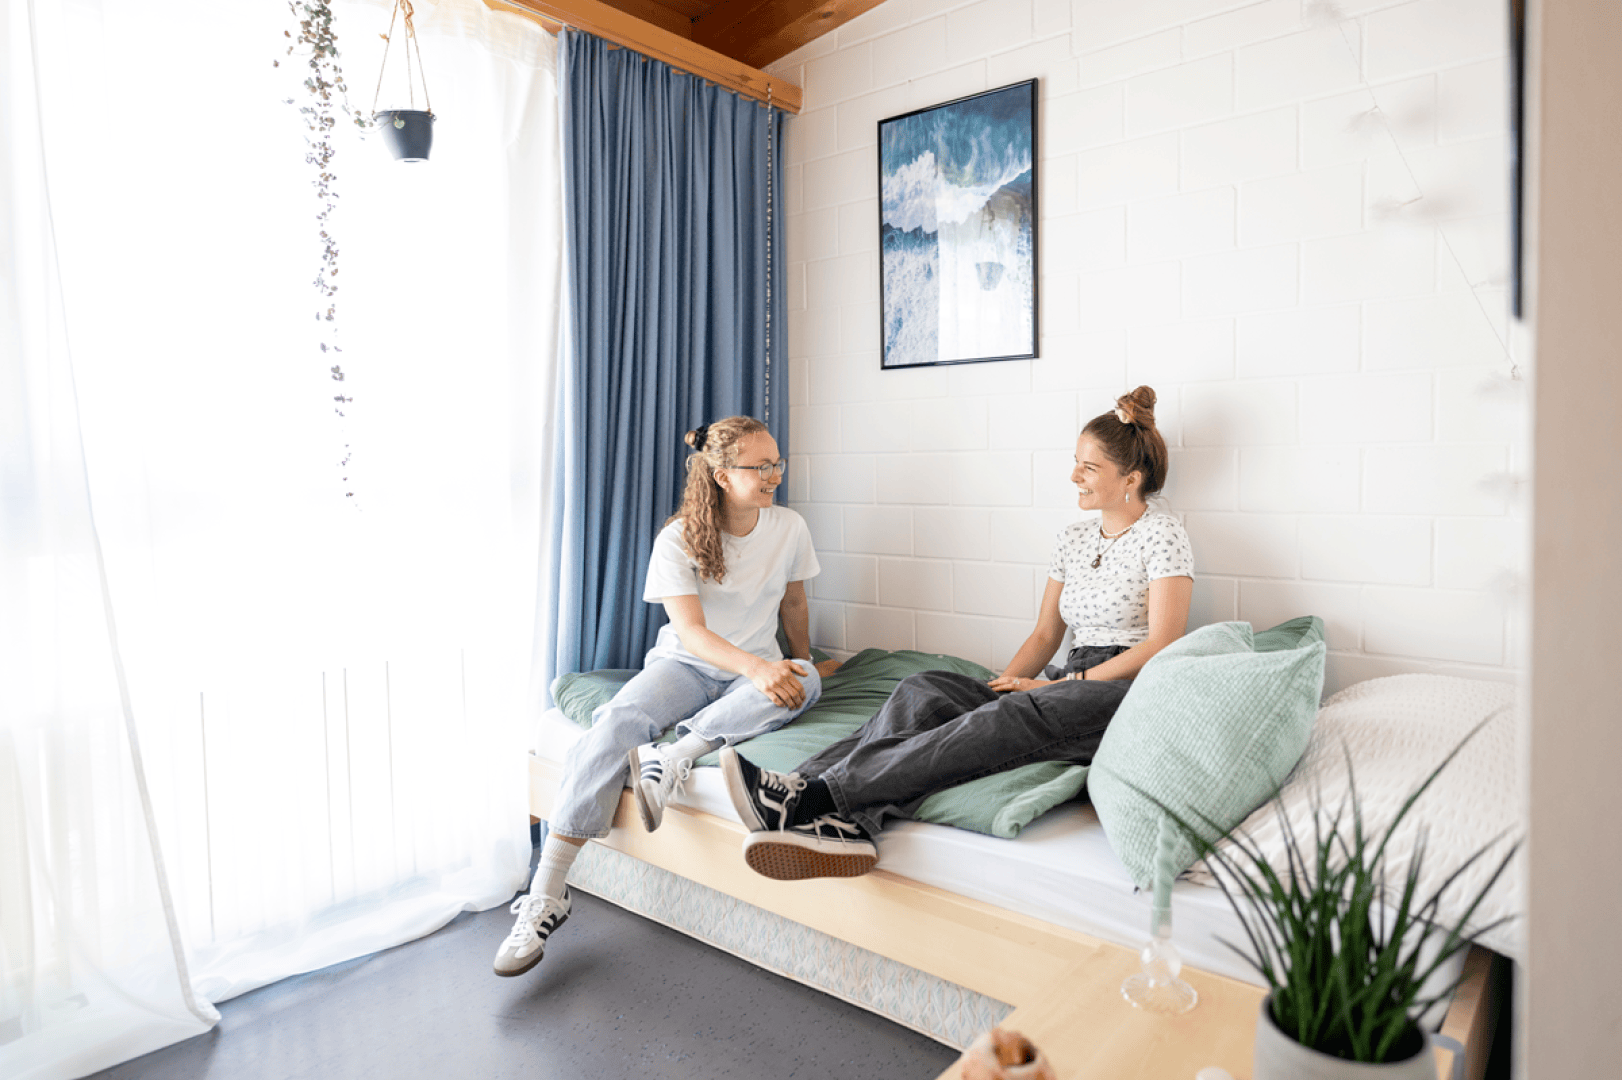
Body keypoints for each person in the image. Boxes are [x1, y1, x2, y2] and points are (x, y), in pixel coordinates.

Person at [721, 387, 1194, 880]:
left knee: (1015, 714)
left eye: (1089, 468)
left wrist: (1058, 688)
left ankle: (819, 798)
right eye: (1075, 461)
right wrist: (1000, 689)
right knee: (923, 689)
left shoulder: (1163, 534)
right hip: (1065, 678)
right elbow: (1043, 636)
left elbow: (1162, 641)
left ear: (1130, 480)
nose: (1073, 475)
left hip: (1125, 689)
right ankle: (812, 795)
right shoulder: (1073, 539)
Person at [495, 416, 827, 977]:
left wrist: (802, 662)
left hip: (751, 671)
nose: (775, 473)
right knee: (615, 720)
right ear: (722, 475)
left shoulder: (789, 527)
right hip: (688, 665)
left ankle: (671, 756)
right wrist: (757, 667)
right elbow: (692, 632)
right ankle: (546, 895)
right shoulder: (678, 538)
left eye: (777, 462)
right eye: (761, 465)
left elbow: (793, 604)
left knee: (808, 682)